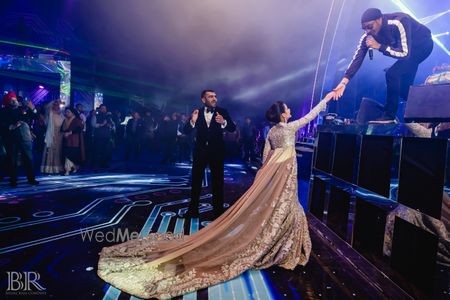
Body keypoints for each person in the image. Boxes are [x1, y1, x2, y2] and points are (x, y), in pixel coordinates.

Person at [97, 91, 336, 299]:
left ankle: (270, 236)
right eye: (287, 108)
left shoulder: (269, 128)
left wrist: (262, 175)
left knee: (264, 201)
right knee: (276, 205)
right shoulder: (285, 127)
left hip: (265, 169)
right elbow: (309, 117)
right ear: (283, 114)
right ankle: (275, 242)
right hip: (269, 170)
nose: (291, 110)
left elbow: (259, 151)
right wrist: (326, 99)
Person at [333, 8, 433, 123]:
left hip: (423, 45)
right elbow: (357, 59)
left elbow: (404, 54)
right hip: (409, 52)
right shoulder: (367, 36)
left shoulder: (398, 22)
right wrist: (343, 82)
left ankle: (389, 116)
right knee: (404, 88)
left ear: (379, 20)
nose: (367, 31)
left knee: (392, 74)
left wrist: (380, 46)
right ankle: (425, 111)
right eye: (364, 28)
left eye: (370, 27)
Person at [183, 90, 236, 218]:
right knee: (196, 181)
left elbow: (233, 128)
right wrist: (192, 121)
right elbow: (185, 131)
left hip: (217, 151)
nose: (214, 99)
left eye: (215, 96)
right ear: (203, 99)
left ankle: (218, 212)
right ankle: (193, 210)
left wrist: (223, 122)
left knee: (218, 181)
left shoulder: (222, 111)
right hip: (200, 151)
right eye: (210, 96)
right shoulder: (197, 112)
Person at [61, 107, 84, 175]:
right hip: (67, 140)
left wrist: (70, 132)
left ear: (72, 113)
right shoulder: (65, 120)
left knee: (71, 155)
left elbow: (80, 128)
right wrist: (64, 133)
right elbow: (62, 129)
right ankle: (72, 168)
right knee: (67, 154)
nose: (66, 113)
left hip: (74, 140)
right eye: (66, 112)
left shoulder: (76, 119)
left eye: (68, 112)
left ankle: (69, 169)